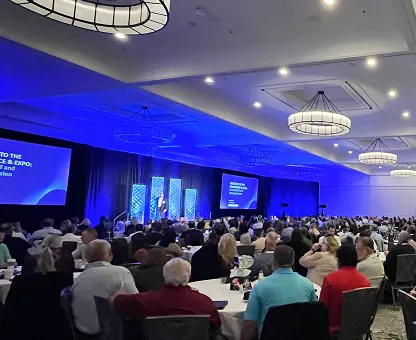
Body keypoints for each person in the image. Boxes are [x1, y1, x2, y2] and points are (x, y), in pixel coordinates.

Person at [114, 258, 221, 337]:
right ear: (189, 276)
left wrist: (120, 294)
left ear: (164, 276)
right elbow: (216, 325)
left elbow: (118, 302)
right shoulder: (205, 302)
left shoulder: (147, 300)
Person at [242, 245, 317, 340]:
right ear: (293, 261)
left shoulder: (259, 287)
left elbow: (249, 325)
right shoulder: (308, 284)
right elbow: (314, 314)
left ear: (273, 261)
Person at [71, 240, 138, 335]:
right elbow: (136, 303)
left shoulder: (79, 278)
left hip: (82, 332)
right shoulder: (120, 272)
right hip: (112, 333)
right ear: (110, 252)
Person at [320, 245, 370, 336]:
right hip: (358, 327)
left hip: (333, 328)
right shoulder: (365, 281)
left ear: (339, 260)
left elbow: (322, 307)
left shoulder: (331, 279)